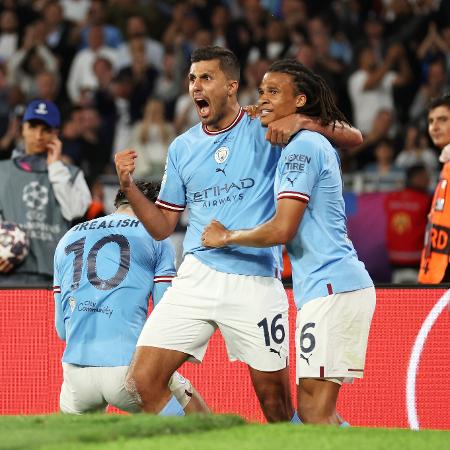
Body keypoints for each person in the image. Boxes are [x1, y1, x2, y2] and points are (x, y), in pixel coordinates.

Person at [114, 46, 362, 423]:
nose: (196, 85)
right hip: (196, 276)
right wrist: (130, 187)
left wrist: (303, 123)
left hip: (254, 279)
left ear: (232, 86)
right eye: (192, 78)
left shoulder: (265, 124)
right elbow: (163, 226)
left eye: (206, 78)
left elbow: (353, 137)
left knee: (278, 410)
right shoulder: (182, 147)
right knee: (140, 382)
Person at [201, 59, 375, 425]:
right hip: (323, 288)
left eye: (274, 92)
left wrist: (227, 237)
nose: (262, 98)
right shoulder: (299, 139)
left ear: (299, 102)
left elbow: (283, 230)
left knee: (313, 412)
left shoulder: (303, 146)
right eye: (261, 90)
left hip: (332, 286)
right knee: (312, 413)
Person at [54, 181, 209, 415]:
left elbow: (62, 330)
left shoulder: (67, 238)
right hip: (130, 370)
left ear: (118, 203)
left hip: (75, 376)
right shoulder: (156, 237)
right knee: (198, 423)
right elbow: (163, 316)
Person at [0, 99, 91, 285]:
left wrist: (56, 167)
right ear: (22, 128)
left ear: (56, 133)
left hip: (54, 278)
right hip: (9, 276)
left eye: (46, 129)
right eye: (33, 127)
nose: (39, 135)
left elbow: (75, 211)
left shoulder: (72, 174)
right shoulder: (2, 170)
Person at [419, 94, 450, 283]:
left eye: (443, 120)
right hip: (438, 275)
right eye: (431, 121)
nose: (434, 127)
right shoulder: (446, 166)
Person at [385, 164, 431, 284]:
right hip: (417, 261)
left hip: (393, 259)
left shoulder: (391, 198)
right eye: (425, 177)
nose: (428, 180)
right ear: (415, 178)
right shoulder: (426, 200)